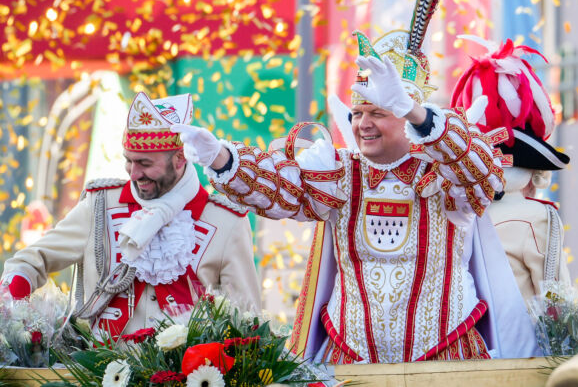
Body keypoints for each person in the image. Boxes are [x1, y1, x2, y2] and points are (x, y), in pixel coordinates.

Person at [174, 30, 539, 363]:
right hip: (350, 359)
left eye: (379, 112)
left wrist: (415, 112)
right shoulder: (338, 170)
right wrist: (221, 158)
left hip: (446, 354)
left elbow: (483, 175)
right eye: (358, 112)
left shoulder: (445, 170)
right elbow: (280, 192)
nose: (363, 123)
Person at [1, 92, 260, 337]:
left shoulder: (227, 223)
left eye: (145, 163)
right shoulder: (100, 205)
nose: (133, 174)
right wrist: (18, 309)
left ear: (180, 159)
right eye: (129, 160)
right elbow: (30, 261)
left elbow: (248, 323)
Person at [451, 36, 571, 300]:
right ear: (532, 172)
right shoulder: (537, 216)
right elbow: (558, 304)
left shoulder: (450, 216)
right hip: (520, 340)